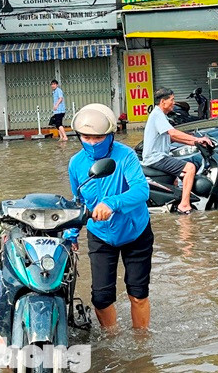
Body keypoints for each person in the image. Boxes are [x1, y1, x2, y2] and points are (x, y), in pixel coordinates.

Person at [65, 103, 152, 330]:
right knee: (101, 298)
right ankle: (111, 340)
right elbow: (78, 200)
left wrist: (112, 203)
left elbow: (142, 191)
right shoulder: (75, 163)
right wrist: (72, 233)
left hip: (136, 231)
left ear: (110, 135)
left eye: (98, 138)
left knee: (138, 294)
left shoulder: (126, 157)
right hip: (100, 235)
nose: (92, 143)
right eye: (86, 137)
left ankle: (141, 343)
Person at [141, 87, 214, 214]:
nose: (174, 103)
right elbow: (173, 133)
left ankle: (175, 202)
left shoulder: (159, 115)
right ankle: (184, 205)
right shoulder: (158, 114)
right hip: (156, 157)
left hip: (157, 156)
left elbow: (171, 138)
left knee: (177, 178)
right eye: (172, 100)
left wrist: (196, 142)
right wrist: (196, 139)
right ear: (163, 102)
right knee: (190, 168)